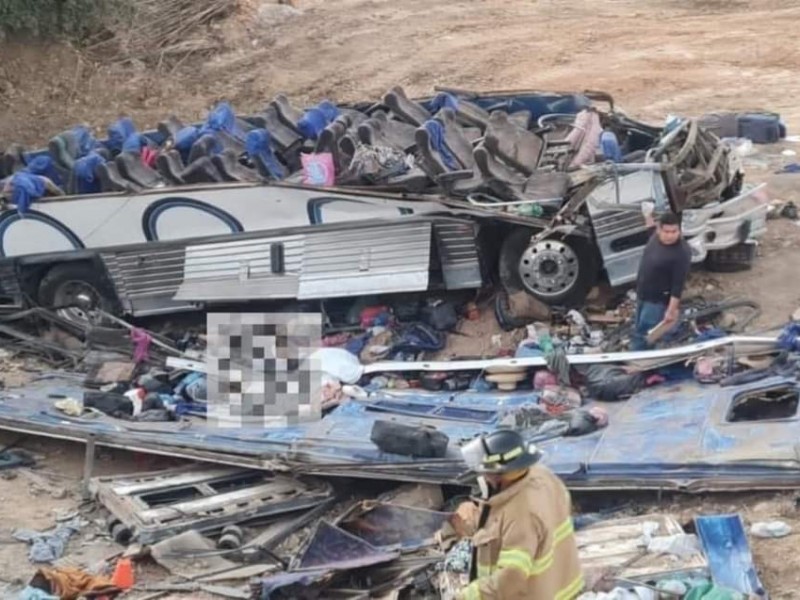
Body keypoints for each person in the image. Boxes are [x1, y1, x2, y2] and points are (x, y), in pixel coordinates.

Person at [454, 429, 583, 600]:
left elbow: (511, 579)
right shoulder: (542, 476)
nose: (483, 477)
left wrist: (467, 596)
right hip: (562, 585)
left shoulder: (520, 514)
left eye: (485, 472)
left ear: (499, 474)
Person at [631, 207, 692, 351]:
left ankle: (640, 363)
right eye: (666, 232)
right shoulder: (655, 238)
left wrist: (671, 311)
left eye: (674, 232)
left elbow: (678, 284)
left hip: (657, 301)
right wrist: (647, 215)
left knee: (646, 333)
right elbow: (650, 229)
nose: (670, 236)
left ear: (679, 231)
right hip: (643, 294)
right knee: (638, 326)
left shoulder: (682, 252)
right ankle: (637, 355)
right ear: (660, 230)